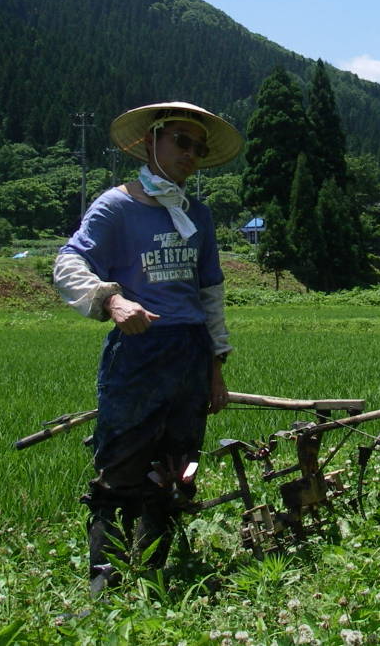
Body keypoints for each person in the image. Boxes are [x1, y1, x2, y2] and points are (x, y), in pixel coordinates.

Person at [52, 100, 243, 594]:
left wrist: (215, 368)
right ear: (150, 142)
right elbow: (68, 263)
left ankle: (155, 568)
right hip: (140, 350)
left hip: (189, 352)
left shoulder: (196, 213)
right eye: (182, 141)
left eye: (198, 148)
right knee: (123, 461)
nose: (191, 154)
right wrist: (110, 300)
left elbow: (210, 295)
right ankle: (105, 581)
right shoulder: (116, 205)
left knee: (178, 464)